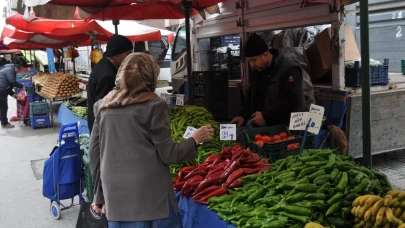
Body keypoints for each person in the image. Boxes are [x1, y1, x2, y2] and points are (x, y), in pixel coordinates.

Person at [89, 53, 215, 227]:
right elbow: (169, 154)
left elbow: (95, 154)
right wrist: (195, 139)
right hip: (151, 197)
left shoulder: (102, 105)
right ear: (150, 77)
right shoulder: (154, 106)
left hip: (115, 196)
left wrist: (99, 196)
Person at [231, 34, 307, 127]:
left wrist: (265, 116)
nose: (252, 65)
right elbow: (252, 95)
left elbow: (293, 101)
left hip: (287, 129)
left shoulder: (289, 69)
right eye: (250, 61)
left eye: (253, 60)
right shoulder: (258, 70)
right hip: (265, 128)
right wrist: (243, 115)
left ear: (265, 55)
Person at [87, 35, 133, 133]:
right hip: (103, 131)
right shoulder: (107, 76)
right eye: (128, 54)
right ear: (115, 55)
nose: (130, 58)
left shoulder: (103, 66)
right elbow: (105, 111)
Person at [0, 64, 24, 128]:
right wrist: (21, 86)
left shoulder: (8, 69)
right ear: (15, 67)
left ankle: (3, 120)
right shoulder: (10, 70)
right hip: (1, 90)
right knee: (4, 107)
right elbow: (12, 81)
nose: (17, 72)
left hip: (2, 89)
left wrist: (12, 93)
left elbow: (6, 85)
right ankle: (4, 123)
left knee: (3, 107)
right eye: (18, 70)